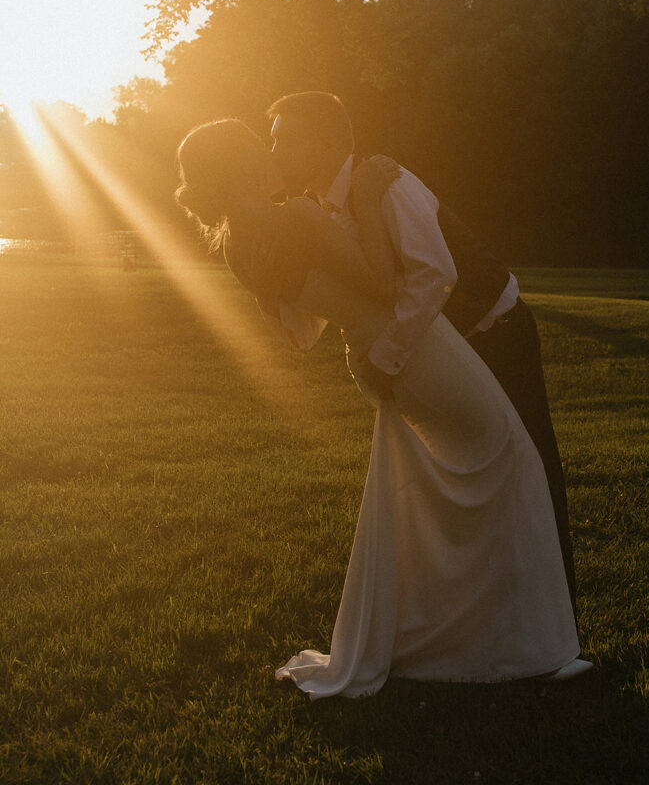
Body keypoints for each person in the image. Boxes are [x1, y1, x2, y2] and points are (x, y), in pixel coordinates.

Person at [175, 117, 587, 700]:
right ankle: (523, 645)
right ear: (241, 162)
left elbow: (299, 331)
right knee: (510, 457)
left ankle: (491, 633)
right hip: (419, 351)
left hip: (378, 359)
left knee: (461, 476)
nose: (270, 151)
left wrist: (353, 323)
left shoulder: (237, 244)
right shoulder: (294, 215)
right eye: (256, 143)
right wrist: (365, 199)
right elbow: (386, 285)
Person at [266, 91, 578, 617]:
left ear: (321, 142)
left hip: (494, 333)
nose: (273, 151)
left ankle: (558, 612)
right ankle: (487, 604)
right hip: (441, 356)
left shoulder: (386, 183)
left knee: (530, 464)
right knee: (465, 473)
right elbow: (333, 305)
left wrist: (386, 359)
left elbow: (435, 275)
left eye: (282, 139)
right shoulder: (319, 211)